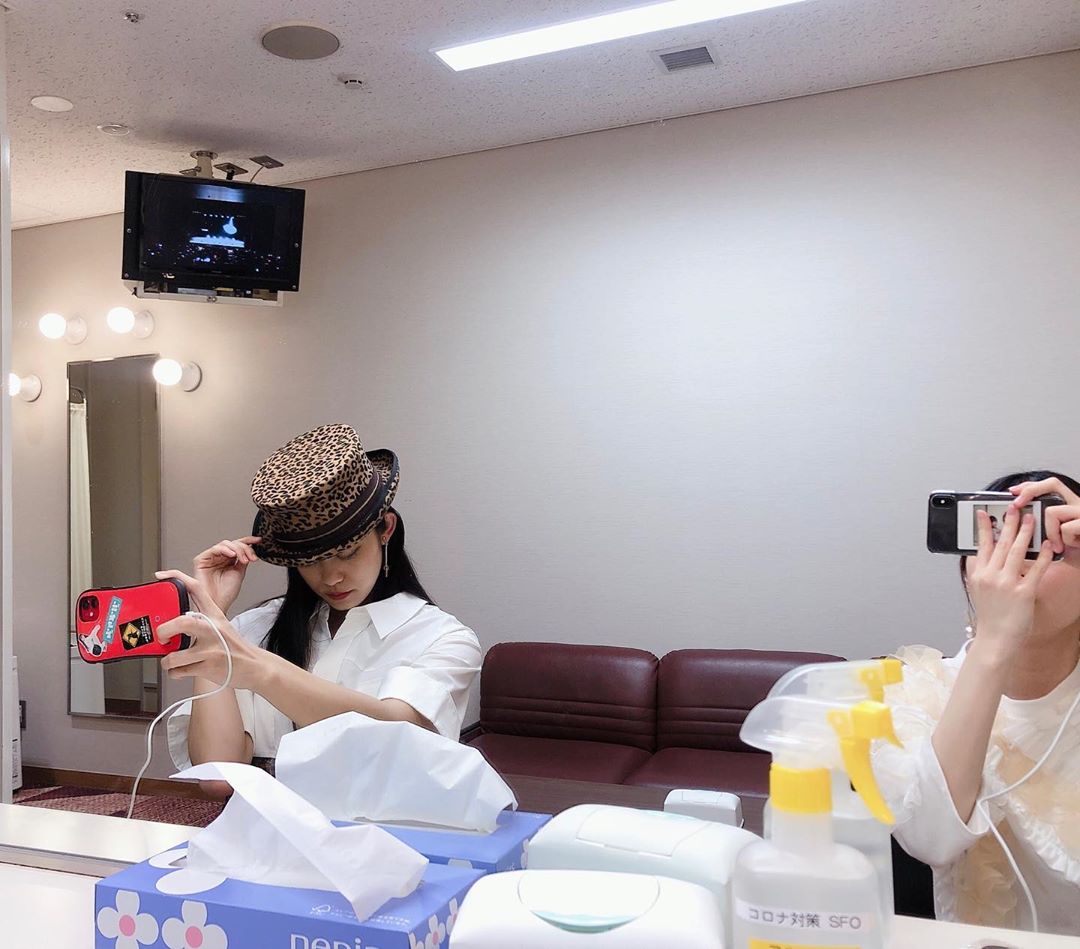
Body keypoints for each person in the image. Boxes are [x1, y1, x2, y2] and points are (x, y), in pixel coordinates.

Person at [162, 424, 482, 794]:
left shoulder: (442, 638)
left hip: (382, 829)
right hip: (259, 827)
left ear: (386, 529)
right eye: (311, 560)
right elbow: (218, 778)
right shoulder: (254, 629)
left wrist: (261, 671)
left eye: (348, 552)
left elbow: (396, 734)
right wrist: (212, 618)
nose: (331, 577)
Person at [874, 471, 1080, 935]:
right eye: (994, 541)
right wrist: (994, 641)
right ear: (967, 573)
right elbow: (933, 839)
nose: (1017, 562)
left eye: (1044, 544)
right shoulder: (916, 691)